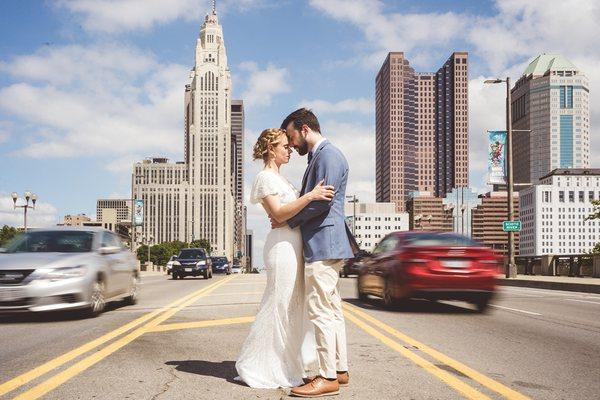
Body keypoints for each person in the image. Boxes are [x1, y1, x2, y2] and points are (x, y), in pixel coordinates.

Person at [235, 128, 333, 389]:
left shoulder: (283, 180)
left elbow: (290, 213)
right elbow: (278, 214)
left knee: (293, 309)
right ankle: (266, 367)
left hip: (295, 245)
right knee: (279, 307)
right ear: (270, 149)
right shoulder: (264, 178)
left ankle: (289, 364)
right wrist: (310, 196)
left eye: (289, 147)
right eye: (284, 147)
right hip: (281, 247)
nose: (289, 150)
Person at [280, 108, 357, 398]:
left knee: (321, 311)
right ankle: (339, 369)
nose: (292, 143)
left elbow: (321, 203)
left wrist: (290, 219)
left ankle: (326, 377)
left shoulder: (328, 155)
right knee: (332, 309)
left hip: (324, 243)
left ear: (303, 129)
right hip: (327, 243)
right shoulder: (320, 157)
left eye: (291, 136)